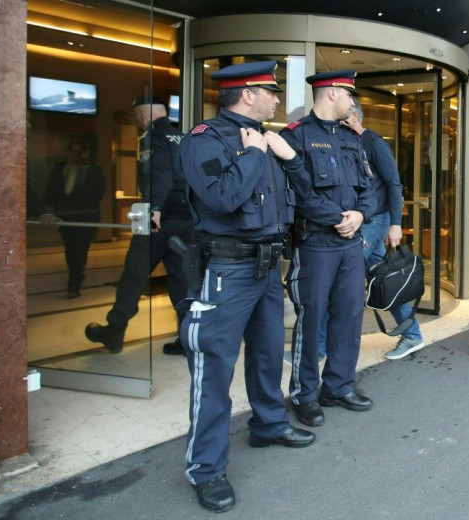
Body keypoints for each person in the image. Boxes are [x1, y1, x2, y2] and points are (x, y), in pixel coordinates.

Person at [177, 61, 315, 513]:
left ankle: (269, 425)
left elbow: (295, 196)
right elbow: (222, 198)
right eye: (270, 91)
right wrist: (255, 154)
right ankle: (206, 468)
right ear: (248, 94)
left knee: (268, 353)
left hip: (266, 269)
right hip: (227, 270)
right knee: (215, 367)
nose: (277, 99)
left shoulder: (267, 140)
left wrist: (279, 154)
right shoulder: (206, 140)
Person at [280, 70, 376, 428]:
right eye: (350, 96)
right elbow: (300, 193)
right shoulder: (296, 136)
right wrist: (340, 216)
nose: (353, 103)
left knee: (350, 313)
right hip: (316, 243)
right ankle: (305, 393)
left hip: (350, 243)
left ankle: (337, 385)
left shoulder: (351, 139)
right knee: (312, 317)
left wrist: (360, 214)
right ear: (333, 93)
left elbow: (369, 187)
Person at [84, 96, 192, 355]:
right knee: (181, 280)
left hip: (159, 221)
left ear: (144, 115)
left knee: (133, 275)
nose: (138, 121)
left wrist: (154, 207)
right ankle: (187, 338)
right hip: (186, 219)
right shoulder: (183, 137)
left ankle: (114, 330)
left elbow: (159, 174)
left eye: (137, 117)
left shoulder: (151, 138)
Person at [345, 101, 425, 359]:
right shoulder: (347, 143)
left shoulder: (373, 142)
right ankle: (412, 335)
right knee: (383, 281)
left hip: (373, 223)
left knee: (342, 278)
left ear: (354, 115)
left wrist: (395, 223)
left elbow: (393, 183)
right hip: (362, 223)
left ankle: (321, 347)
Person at [44, 141, 105, 298]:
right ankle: (75, 280)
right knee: (79, 249)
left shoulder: (62, 170)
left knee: (73, 249)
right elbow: (99, 192)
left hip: (68, 215)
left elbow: (50, 195)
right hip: (84, 215)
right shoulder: (94, 170)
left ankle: (75, 279)